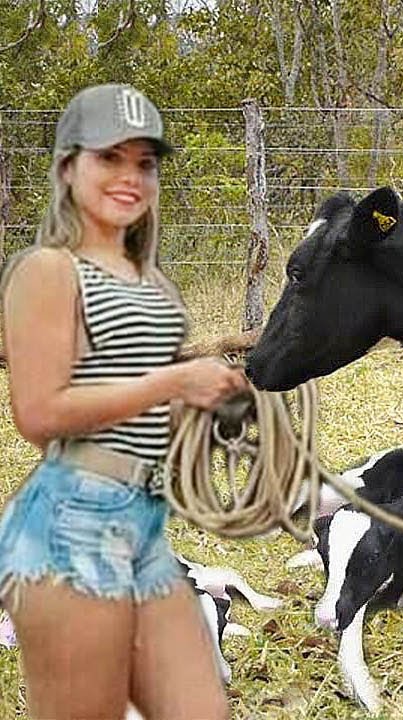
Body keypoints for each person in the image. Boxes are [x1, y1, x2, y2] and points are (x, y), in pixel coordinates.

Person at [0, 84, 246, 719]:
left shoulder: (153, 284)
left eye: (144, 162)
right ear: (67, 167)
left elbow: (134, 412)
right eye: (110, 158)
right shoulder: (45, 273)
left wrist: (213, 412)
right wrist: (173, 384)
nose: (130, 177)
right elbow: (40, 413)